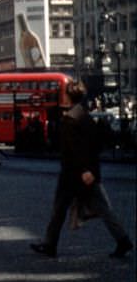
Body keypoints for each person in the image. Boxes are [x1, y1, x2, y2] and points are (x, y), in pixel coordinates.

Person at [30, 81, 133, 259]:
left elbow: (75, 149)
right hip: (87, 172)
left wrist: (85, 169)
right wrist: (91, 169)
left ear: (68, 96)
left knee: (59, 209)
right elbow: (95, 144)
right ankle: (123, 240)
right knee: (103, 208)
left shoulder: (70, 119)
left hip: (73, 174)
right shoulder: (86, 117)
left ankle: (50, 244)